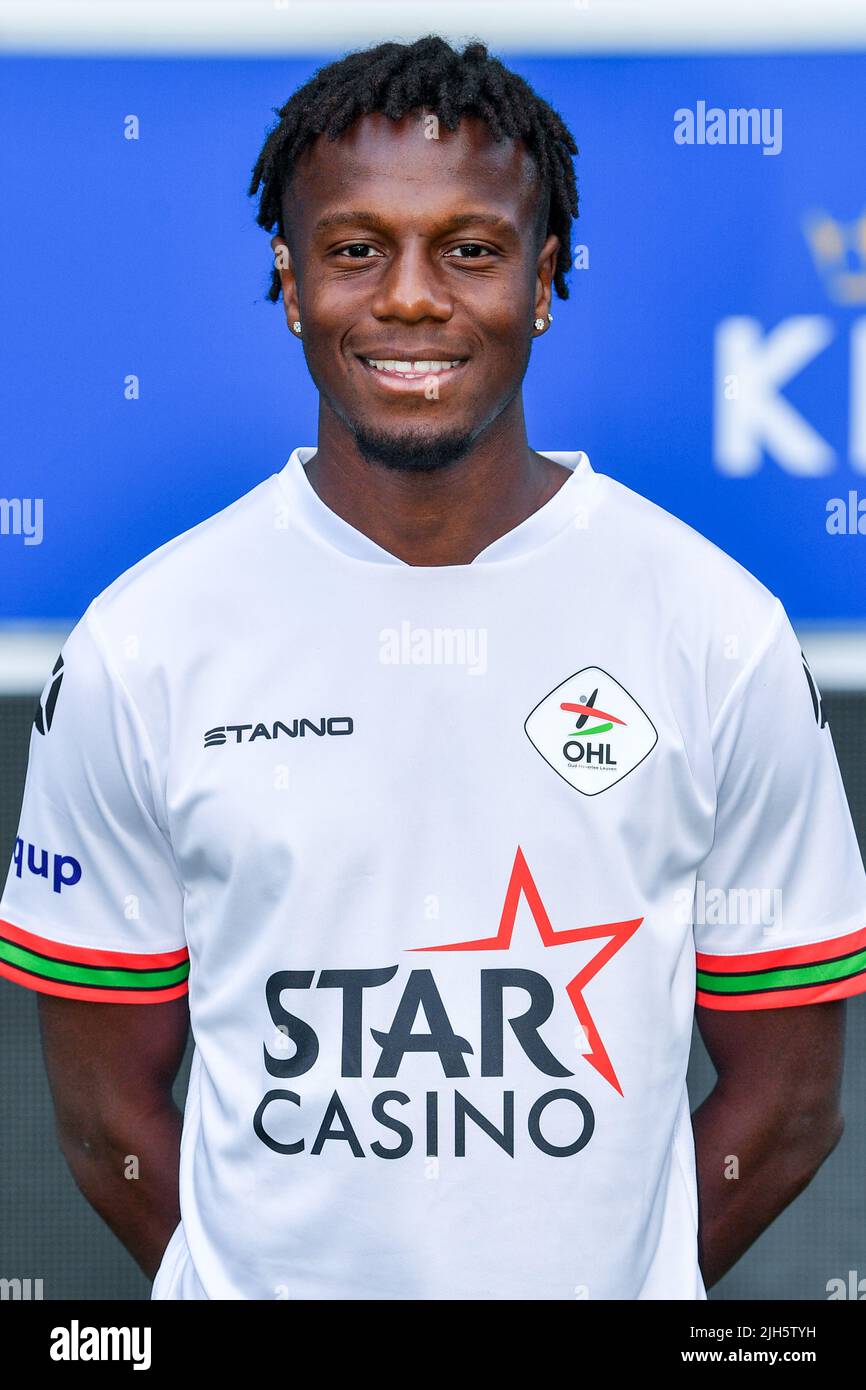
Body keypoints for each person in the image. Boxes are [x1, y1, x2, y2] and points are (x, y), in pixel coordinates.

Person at [2, 36, 865, 1301]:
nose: (410, 298)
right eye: (356, 250)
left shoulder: (712, 628)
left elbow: (790, 1106)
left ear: (546, 277)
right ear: (289, 284)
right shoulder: (145, 643)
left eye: (470, 248)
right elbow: (99, 1117)